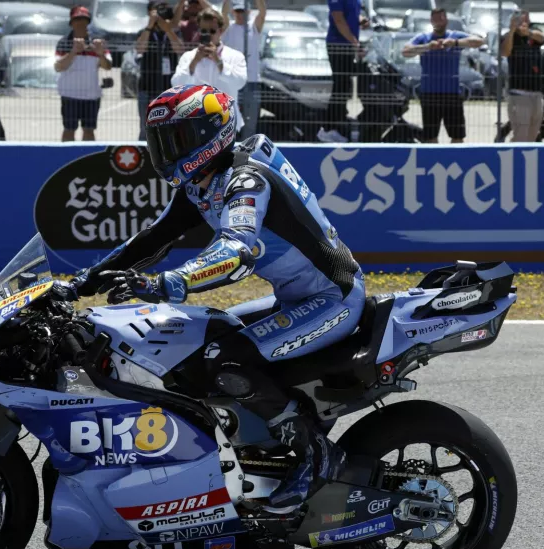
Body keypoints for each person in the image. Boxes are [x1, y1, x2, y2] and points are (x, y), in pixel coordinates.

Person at [57, 84, 365, 512]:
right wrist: (80, 284)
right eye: (161, 141)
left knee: (226, 357)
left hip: (333, 300)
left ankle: (317, 458)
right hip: (293, 299)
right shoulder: (205, 181)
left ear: (211, 134)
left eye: (177, 140)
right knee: (200, 339)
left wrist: (169, 283)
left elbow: (236, 249)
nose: (166, 151)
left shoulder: (245, 178)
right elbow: (154, 238)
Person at [401, 9, 483, 143]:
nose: (438, 22)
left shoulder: (454, 36)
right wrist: (427, 47)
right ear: (431, 21)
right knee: (431, 136)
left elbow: (479, 41)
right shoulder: (424, 38)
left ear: (446, 20)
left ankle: (455, 160)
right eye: (435, 19)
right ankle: (433, 161)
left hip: (452, 93)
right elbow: (405, 51)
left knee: (457, 136)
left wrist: (456, 43)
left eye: (441, 19)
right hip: (430, 94)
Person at [171, 8, 247, 133]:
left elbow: (240, 82)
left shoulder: (235, 56)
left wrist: (218, 61)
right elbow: (176, 85)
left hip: (227, 123)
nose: (208, 35)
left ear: (221, 31)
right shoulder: (189, 57)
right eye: (204, 31)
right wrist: (194, 62)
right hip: (195, 123)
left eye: (212, 31)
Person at [54, 6, 112, 142]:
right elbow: (58, 67)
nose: (80, 23)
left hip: (91, 96)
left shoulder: (97, 42)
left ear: (88, 22)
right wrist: (73, 52)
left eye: (84, 19)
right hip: (69, 95)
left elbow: (107, 66)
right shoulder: (64, 42)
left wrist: (100, 54)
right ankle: (66, 157)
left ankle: (87, 158)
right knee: (69, 129)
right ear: (71, 22)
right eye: (77, 19)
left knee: (89, 130)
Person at [135, 1, 185, 141]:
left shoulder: (174, 32)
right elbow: (139, 49)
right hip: (146, 86)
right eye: (157, 9)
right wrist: (150, 26)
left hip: (168, 88)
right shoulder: (144, 31)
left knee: (169, 127)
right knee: (146, 126)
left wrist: (168, 29)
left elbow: (180, 49)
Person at [318, 0, 362, 143]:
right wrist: (355, 42)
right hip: (338, 45)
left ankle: (339, 125)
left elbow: (352, 16)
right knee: (340, 86)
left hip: (348, 45)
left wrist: (361, 21)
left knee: (346, 87)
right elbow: (338, 19)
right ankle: (328, 129)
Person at [221, 0, 266, 139]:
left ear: (249, 12)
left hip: (252, 81)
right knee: (230, 119)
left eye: (243, 12)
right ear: (233, 12)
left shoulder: (254, 27)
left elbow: (263, 12)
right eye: (238, 11)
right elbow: (223, 13)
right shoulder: (228, 28)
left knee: (250, 121)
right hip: (232, 81)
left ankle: (247, 151)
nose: (240, 15)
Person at [500, 10, 544, 142]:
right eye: (520, 20)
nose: (524, 23)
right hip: (519, 95)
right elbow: (505, 52)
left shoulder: (533, 35)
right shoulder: (509, 37)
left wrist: (529, 33)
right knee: (521, 135)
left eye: (526, 20)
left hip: (536, 94)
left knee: (532, 135)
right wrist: (513, 30)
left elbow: (542, 38)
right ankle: (514, 160)